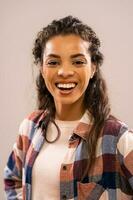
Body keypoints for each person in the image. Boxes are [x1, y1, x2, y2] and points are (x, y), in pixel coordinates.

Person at [4, 16, 133, 200]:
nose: (64, 72)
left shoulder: (117, 138)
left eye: (78, 61)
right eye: (53, 62)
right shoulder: (30, 127)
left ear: (93, 67)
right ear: (42, 68)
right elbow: (12, 180)